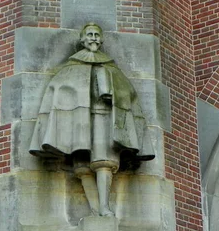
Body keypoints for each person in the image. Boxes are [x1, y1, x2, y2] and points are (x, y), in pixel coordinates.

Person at [29, 22, 154, 216]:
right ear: (82, 39)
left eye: (97, 35)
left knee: (104, 162)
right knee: (82, 166)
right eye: (89, 35)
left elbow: (128, 92)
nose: (93, 38)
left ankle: (104, 206)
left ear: (102, 40)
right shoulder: (71, 67)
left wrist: (113, 92)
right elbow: (58, 90)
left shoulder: (111, 67)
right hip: (79, 123)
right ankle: (96, 210)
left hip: (104, 118)